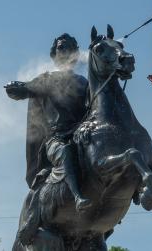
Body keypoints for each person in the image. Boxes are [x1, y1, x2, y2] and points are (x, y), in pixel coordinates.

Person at [5, 33, 91, 212]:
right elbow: (25, 89)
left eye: (69, 48)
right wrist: (16, 87)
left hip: (81, 136)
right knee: (65, 152)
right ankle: (77, 196)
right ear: (54, 55)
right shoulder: (46, 79)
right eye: (61, 47)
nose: (65, 51)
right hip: (57, 139)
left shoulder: (83, 83)